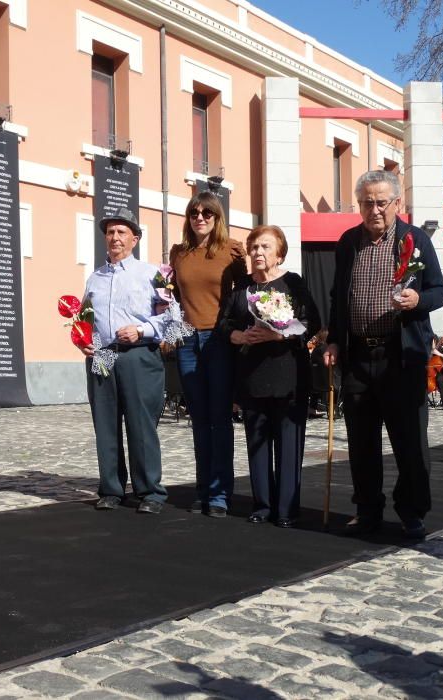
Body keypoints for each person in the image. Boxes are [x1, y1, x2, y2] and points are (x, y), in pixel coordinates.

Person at [323, 170, 443, 540]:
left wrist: (418, 300)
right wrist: (332, 341)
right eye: (366, 202)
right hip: (359, 354)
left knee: (408, 439)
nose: (374, 209)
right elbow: (337, 298)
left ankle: (412, 512)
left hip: (400, 355)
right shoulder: (348, 242)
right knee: (361, 441)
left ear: (397, 204)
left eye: (381, 202)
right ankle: (367, 510)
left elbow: (439, 291)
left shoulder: (415, 239)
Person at [218, 225, 321, 527]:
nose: (258, 252)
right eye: (253, 247)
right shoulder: (242, 289)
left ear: (279, 253)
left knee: (289, 444)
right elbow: (223, 325)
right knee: (257, 442)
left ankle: (287, 508)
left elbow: (311, 322)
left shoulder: (293, 283)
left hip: (288, 374)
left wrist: (281, 335)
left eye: (265, 247)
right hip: (252, 375)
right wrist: (237, 336)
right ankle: (262, 505)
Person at [79, 208, 169, 514]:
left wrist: (141, 329)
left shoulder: (153, 274)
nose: (114, 238)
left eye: (121, 232)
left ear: (135, 238)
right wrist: (84, 342)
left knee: (141, 425)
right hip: (102, 354)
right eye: (110, 232)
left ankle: (151, 493)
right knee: (105, 425)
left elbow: (174, 320)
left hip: (138, 355)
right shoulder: (95, 278)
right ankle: (111, 489)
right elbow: (84, 318)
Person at [170, 192, 247, 517]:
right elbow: (170, 298)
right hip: (188, 342)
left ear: (217, 218)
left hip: (219, 341)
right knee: (199, 420)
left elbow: (245, 297)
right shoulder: (179, 253)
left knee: (219, 419)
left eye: (207, 213)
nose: (199, 217)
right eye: (194, 213)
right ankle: (204, 490)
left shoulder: (231, 251)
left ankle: (219, 495)